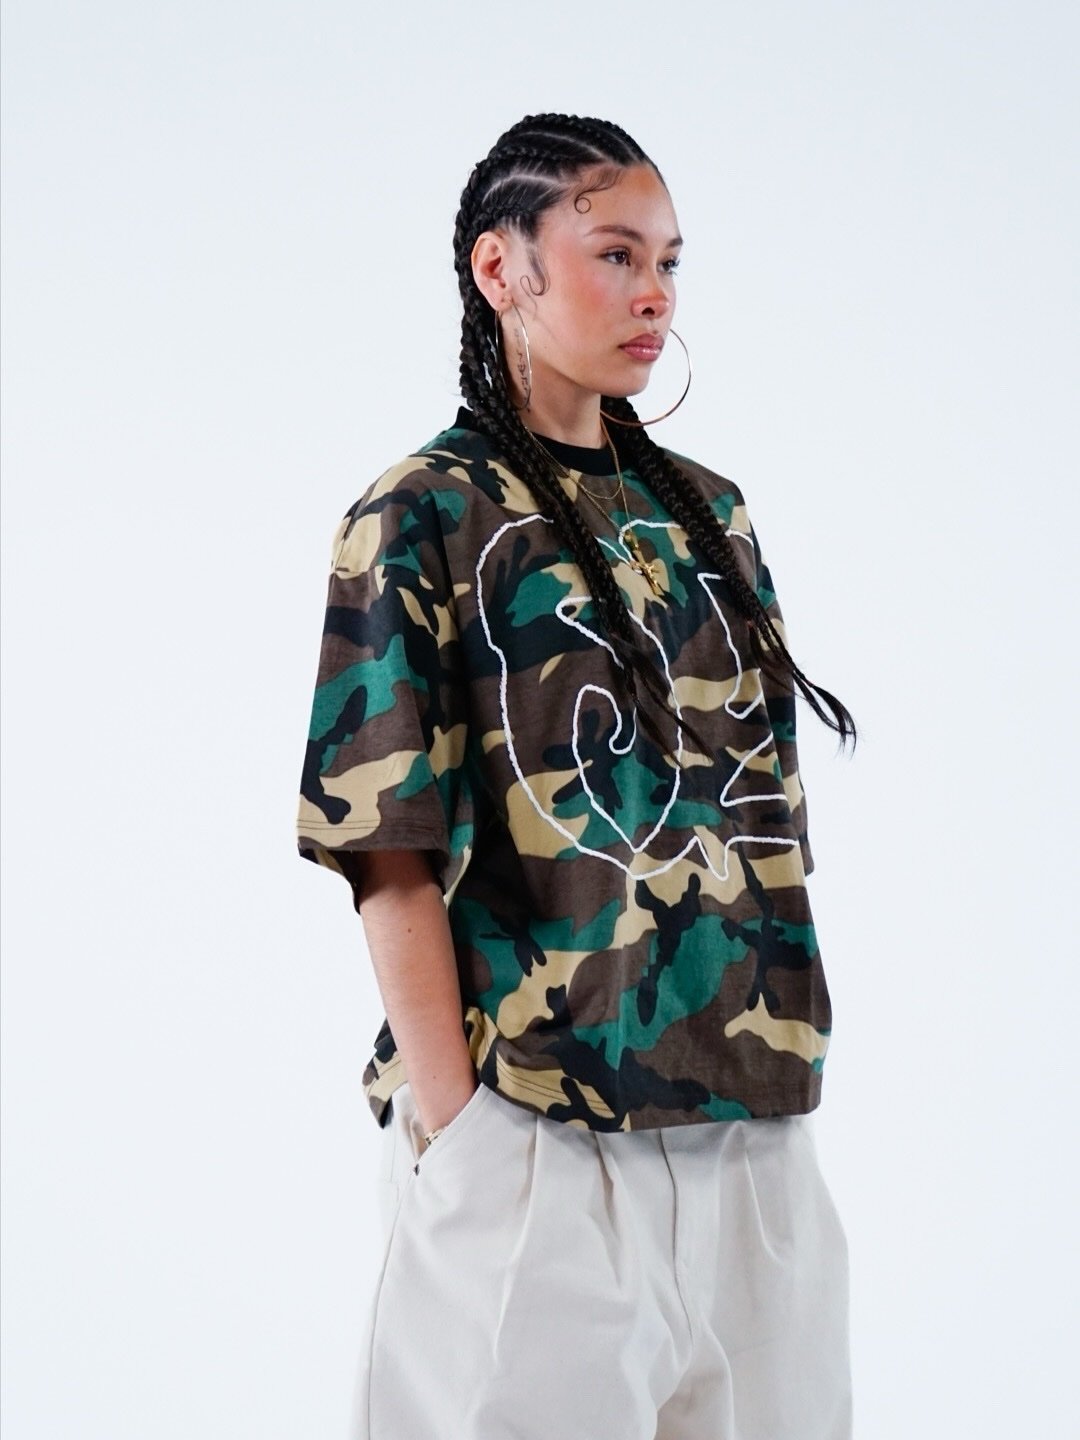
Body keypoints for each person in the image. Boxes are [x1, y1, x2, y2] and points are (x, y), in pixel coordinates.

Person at [296, 113, 857, 1440]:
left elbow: (759, 805)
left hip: (754, 1132)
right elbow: (386, 846)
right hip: (540, 1133)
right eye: (615, 253)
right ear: (502, 268)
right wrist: (462, 1133)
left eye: (669, 260)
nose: (655, 292)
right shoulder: (422, 514)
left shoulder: (710, 514)